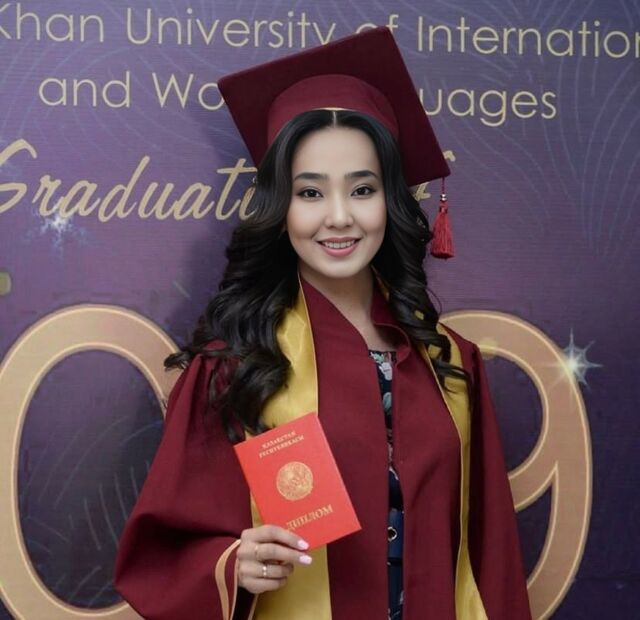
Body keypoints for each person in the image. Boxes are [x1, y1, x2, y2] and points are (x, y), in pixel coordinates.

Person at [114, 26, 531, 620]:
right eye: (310, 193)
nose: (338, 217)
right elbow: (166, 553)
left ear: (391, 199)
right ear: (280, 206)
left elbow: (493, 560)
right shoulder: (237, 364)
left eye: (362, 189)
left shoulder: (450, 362)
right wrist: (234, 564)